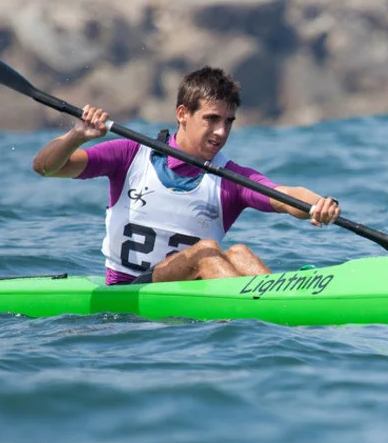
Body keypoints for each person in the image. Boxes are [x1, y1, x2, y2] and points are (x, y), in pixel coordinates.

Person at [32, 66, 340, 284]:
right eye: (211, 119)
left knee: (240, 252)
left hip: (191, 301)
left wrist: (318, 205)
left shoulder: (228, 178)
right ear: (182, 114)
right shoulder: (130, 154)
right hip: (130, 293)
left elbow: (284, 196)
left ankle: (281, 310)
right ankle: (255, 311)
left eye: (228, 122)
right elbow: (46, 167)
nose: (221, 132)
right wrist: (77, 136)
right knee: (207, 252)